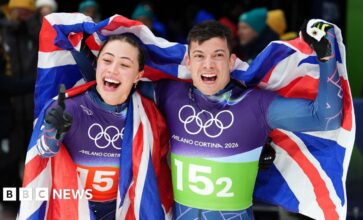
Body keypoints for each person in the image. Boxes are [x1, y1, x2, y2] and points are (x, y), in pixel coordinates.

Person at [137, 20, 342, 219]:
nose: (208, 65)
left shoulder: (256, 105)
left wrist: (327, 54)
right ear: (189, 62)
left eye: (218, 55)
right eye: (199, 56)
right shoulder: (169, 94)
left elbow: (326, 118)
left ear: (231, 61)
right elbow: (122, 85)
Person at [29, 34, 172, 219]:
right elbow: (41, 155)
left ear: (139, 75)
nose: (113, 70)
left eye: (125, 65)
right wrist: (51, 135)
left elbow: (159, 170)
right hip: (73, 209)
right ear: (98, 64)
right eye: (107, 60)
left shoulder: (148, 114)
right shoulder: (68, 106)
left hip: (122, 211)